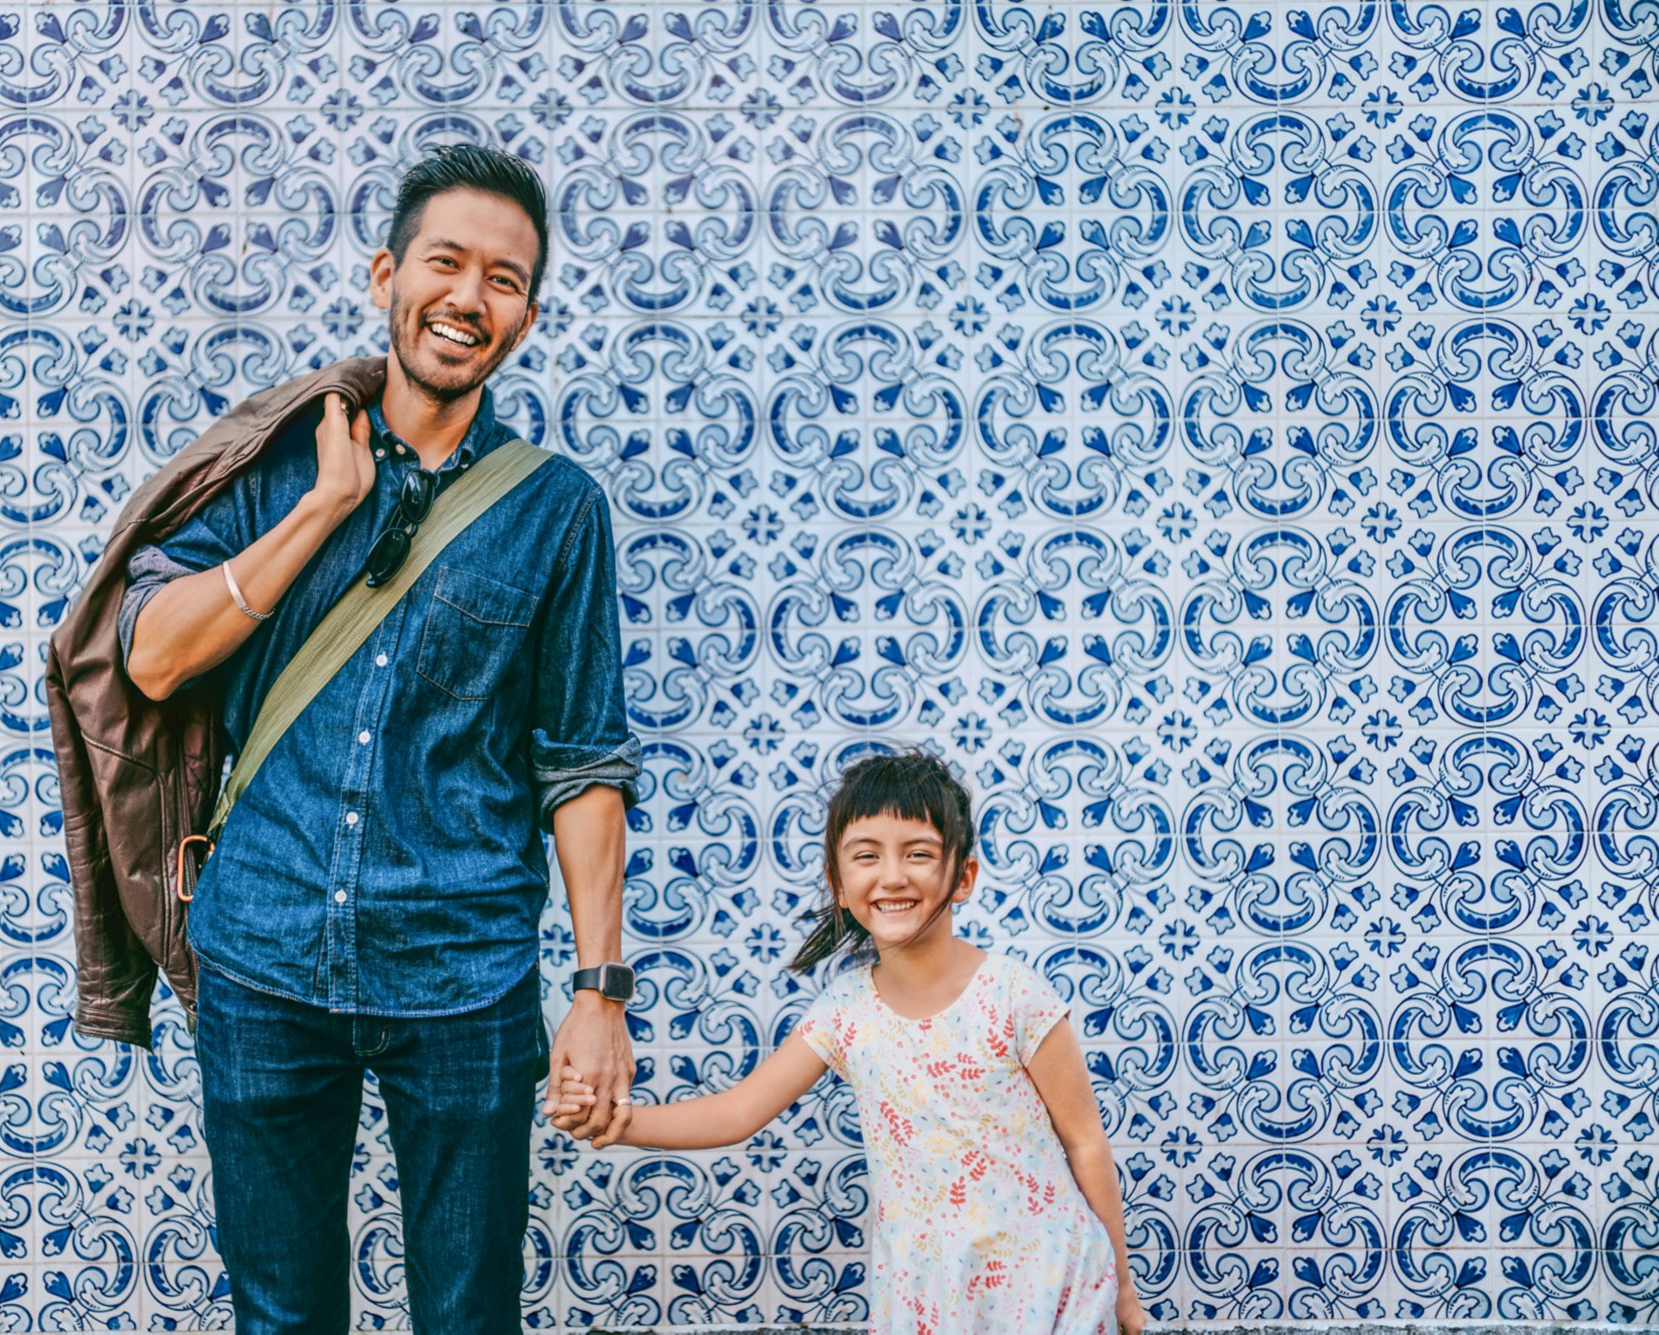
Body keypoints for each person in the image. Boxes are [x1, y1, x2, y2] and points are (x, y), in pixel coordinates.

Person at [119, 144, 642, 1332]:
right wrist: (322, 509)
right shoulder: (272, 460)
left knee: (468, 1316)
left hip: (462, 976)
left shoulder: (556, 509)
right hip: (261, 955)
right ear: (384, 276)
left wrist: (599, 989)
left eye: (502, 279)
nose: (468, 296)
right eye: (445, 263)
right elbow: (152, 656)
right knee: (280, 1317)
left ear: (527, 314)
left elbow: (582, 761)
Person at [553, 750, 1146, 1335]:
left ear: (962, 877)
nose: (892, 876)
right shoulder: (845, 1011)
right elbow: (736, 1112)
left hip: (1050, 1279)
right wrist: (619, 1121)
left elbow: (1085, 1141)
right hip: (929, 1293)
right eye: (867, 856)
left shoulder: (1016, 995)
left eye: (918, 854)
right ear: (839, 884)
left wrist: (1121, 1288)